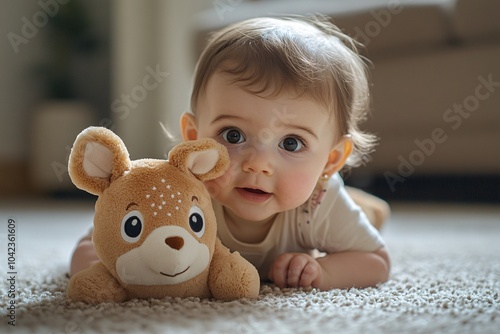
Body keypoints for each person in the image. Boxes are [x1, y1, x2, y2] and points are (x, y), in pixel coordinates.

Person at [71, 15, 391, 290]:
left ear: (331, 160)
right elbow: (93, 247)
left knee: (360, 217)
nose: (257, 164)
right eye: (233, 135)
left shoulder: (321, 202)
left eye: (291, 143)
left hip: (325, 209)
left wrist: (324, 271)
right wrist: (110, 272)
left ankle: (368, 209)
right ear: (194, 139)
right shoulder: (179, 190)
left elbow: (376, 260)